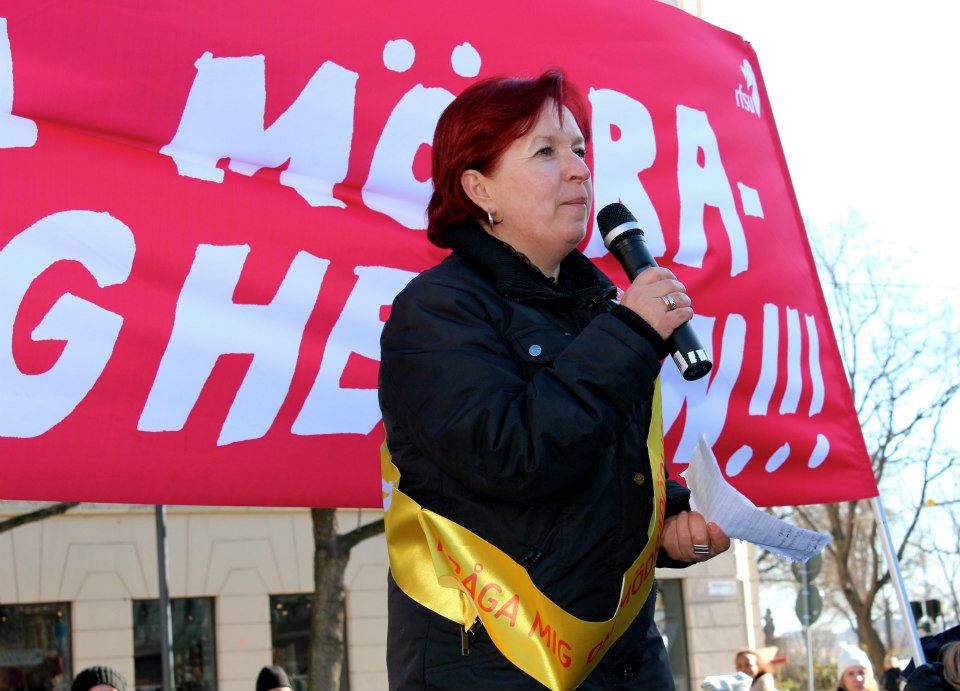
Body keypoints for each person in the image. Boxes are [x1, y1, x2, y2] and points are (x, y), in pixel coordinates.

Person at [379, 69, 730, 690]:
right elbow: (513, 456)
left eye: (580, 150)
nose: (578, 170)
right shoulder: (435, 313)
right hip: (494, 664)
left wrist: (670, 523)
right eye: (546, 151)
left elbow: (602, 461)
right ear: (478, 186)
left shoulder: (603, 308)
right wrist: (629, 335)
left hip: (625, 659)